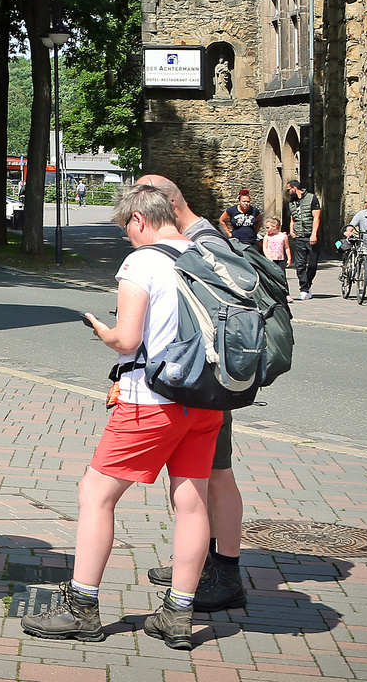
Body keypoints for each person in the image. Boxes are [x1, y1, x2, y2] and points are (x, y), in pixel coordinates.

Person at [21, 184, 219, 649]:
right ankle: (178, 614)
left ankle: (81, 607)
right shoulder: (205, 255)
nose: (126, 238)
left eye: (125, 229)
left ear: (138, 220)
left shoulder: (142, 262)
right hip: (207, 399)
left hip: (151, 400)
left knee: (96, 494)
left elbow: (128, 341)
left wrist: (103, 330)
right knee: (192, 503)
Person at [133, 174, 247, 613]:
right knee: (195, 478)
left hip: (206, 382)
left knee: (216, 474)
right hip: (193, 380)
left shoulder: (204, 241)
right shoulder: (193, 239)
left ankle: (227, 572)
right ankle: (196, 563)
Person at [285, 180, 321, 300]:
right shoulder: (292, 202)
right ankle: (304, 289)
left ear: (295, 188)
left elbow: (316, 217)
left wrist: (314, 234)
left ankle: (308, 284)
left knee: (312, 265)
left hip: (310, 236)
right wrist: (292, 231)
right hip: (299, 237)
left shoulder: (312, 199)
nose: (288, 192)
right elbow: (293, 218)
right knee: (300, 265)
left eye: (289, 190)